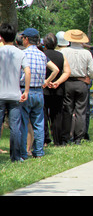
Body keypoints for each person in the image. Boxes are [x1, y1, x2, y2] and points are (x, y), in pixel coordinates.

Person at [20, 28, 59, 159]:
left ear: (26, 39)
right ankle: (39, 151)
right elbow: (55, 69)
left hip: (25, 90)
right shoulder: (42, 55)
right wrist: (46, 81)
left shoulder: (23, 54)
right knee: (38, 123)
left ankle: (24, 152)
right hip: (39, 91)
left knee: (24, 122)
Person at [0, 23, 31, 162]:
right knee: (15, 128)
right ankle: (16, 156)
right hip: (15, 94)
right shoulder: (20, 52)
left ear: (1, 37)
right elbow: (27, 71)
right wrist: (27, 91)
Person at [60, 29, 93, 145]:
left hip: (67, 82)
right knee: (81, 111)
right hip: (81, 83)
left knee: (67, 110)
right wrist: (87, 77)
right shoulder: (86, 53)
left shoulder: (63, 51)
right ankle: (78, 138)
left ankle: (65, 137)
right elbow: (92, 71)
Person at [42, 33, 71, 146]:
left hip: (44, 88)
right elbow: (67, 72)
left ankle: (45, 139)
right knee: (57, 115)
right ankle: (58, 140)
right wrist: (57, 82)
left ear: (44, 44)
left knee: (43, 114)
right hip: (58, 89)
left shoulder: (42, 55)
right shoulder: (61, 55)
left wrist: (47, 81)